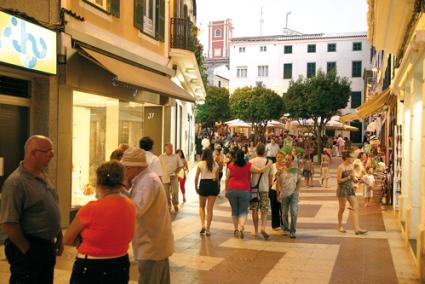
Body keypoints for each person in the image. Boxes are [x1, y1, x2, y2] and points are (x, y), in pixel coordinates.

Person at [0, 135, 62, 284]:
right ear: (34, 153)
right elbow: (9, 222)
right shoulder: (16, 183)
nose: (52, 155)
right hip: (30, 246)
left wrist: (58, 236)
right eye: (48, 151)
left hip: (46, 246)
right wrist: (27, 250)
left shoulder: (42, 176)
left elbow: (50, 206)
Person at [63, 161, 136, 284]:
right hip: (120, 263)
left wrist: (80, 241)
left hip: (91, 265)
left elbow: (67, 239)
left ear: (99, 182)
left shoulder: (91, 208)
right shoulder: (130, 205)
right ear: (122, 181)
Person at [122, 148, 174, 284]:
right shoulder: (144, 179)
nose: (125, 172)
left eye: (126, 168)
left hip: (151, 246)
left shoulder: (147, 181)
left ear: (137, 167)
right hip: (153, 245)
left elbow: (136, 209)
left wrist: (121, 191)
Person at [225, 149, 272, 239]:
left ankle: (236, 229)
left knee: (234, 210)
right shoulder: (248, 165)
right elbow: (260, 171)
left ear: (235, 156)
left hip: (232, 189)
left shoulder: (230, 166)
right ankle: (242, 225)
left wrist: (226, 190)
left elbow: (227, 178)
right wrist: (269, 164)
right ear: (244, 156)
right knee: (243, 210)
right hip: (245, 190)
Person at [336, 151, 367, 235]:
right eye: (351, 157)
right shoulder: (341, 167)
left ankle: (357, 228)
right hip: (342, 189)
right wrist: (348, 177)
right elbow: (339, 180)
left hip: (350, 188)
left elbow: (353, 176)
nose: (353, 159)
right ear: (346, 158)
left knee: (355, 206)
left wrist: (356, 179)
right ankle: (339, 226)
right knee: (342, 208)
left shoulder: (351, 166)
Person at [249, 143, 273, 240]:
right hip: (264, 188)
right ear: (264, 151)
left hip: (254, 188)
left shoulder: (251, 161)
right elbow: (270, 177)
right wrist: (269, 185)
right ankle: (263, 227)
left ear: (256, 151)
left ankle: (256, 230)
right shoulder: (268, 162)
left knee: (254, 209)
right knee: (264, 209)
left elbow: (248, 176)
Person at [276, 154, 302, 239]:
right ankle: (286, 229)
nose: (287, 161)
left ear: (292, 160)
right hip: (284, 193)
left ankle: (293, 231)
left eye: (289, 159)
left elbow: (299, 181)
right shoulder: (280, 170)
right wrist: (278, 194)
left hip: (293, 194)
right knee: (284, 213)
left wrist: (296, 190)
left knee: (294, 212)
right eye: (286, 159)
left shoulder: (295, 170)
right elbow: (278, 182)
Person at [195, 148, 219, 236]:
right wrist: (217, 187)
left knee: (201, 207)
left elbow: (197, 177)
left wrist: (196, 187)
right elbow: (217, 178)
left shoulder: (200, 164)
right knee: (210, 209)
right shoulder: (215, 164)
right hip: (212, 185)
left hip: (204, 184)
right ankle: (208, 229)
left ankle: (203, 225)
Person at [159, 144, 183, 213]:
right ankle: (168, 205)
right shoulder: (161, 157)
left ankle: (175, 204)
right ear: (165, 149)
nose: (171, 150)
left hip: (174, 178)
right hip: (164, 178)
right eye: (169, 148)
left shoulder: (176, 156)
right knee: (166, 194)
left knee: (175, 192)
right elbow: (157, 167)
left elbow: (180, 166)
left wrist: (175, 173)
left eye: (172, 148)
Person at [270, 151, 285, 231]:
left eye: (281, 157)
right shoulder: (272, 166)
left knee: (283, 208)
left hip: (283, 190)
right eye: (278, 157)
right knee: (274, 208)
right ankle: (275, 225)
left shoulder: (285, 167)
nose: (279, 159)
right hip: (273, 189)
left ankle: (284, 224)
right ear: (276, 157)